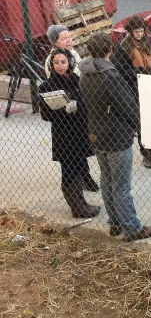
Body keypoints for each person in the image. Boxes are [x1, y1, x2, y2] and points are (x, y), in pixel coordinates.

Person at [79, 32, 151, 242]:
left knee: (107, 179)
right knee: (121, 185)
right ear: (110, 50)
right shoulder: (111, 76)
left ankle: (115, 221)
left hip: (96, 132)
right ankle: (132, 228)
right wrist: (140, 123)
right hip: (116, 135)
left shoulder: (85, 72)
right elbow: (128, 106)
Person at [39, 48, 100, 219]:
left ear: (70, 63)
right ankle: (77, 208)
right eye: (56, 62)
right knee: (69, 169)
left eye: (63, 62)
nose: (60, 66)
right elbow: (46, 115)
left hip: (80, 133)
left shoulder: (77, 80)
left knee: (79, 167)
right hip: (64, 136)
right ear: (51, 64)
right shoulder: (48, 86)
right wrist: (65, 110)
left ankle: (81, 203)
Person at [44, 24, 99, 192]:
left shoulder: (72, 53)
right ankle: (80, 182)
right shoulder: (54, 61)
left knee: (81, 145)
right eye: (64, 38)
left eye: (69, 36)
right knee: (71, 150)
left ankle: (84, 176)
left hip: (80, 106)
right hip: (66, 113)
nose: (69, 40)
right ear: (55, 42)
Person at [113, 16, 151, 169]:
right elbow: (121, 69)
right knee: (142, 122)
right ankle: (146, 153)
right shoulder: (122, 47)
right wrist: (137, 73)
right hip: (135, 88)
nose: (139, 34)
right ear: (129, 32)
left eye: (142, 31)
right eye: (136, 32)